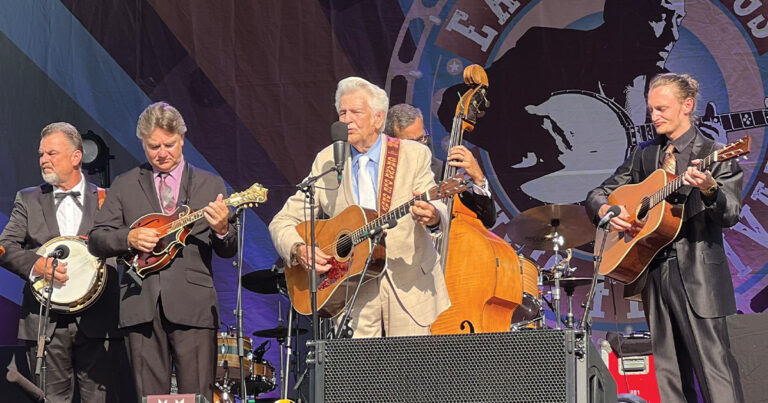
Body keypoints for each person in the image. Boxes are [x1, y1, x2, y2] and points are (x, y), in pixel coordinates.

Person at [586, 73, 744, 402]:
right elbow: (600, 193)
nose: (654, 116)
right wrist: (607, 212)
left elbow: (729, 213)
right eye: (651, 109)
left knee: (715, 372)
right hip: (653, 273)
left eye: (661, 108)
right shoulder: (645, 156)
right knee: (669, 375)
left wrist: (709, 187)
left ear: (687, 106)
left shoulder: (713, 153)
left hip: (699, 275)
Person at [438, 0, 688, 208]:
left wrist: (688, 152)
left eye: (677, 20)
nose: (672, 35)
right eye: (660, 18)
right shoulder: (550, 51)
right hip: (544, 209)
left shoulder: (665, 92)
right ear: (623, 14)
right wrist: (526, 139)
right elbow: (453, 104)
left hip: (621, 222)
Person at [270, 77, 450, 337]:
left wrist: (433, 216)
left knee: (411, 375)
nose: (346, 120)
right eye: (342, 112)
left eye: (355, 112)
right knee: (360, 375)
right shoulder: (327, 160)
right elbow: (282, 221)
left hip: (409, 285)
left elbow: (436, 204)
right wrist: (298, 250)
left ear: (378, 119)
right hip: (353, 293)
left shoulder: (413, 153)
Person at [87, 102, 236, 402]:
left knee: (198, 396)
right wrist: (129, 237)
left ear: (182, 138)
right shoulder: (125, 184)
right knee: (148, 397)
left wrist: (221, 229)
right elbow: (96, 239)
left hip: (193, 306)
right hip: (139, 305)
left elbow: (228, 248)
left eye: (169, 144)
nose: (162, 152)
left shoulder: (209, 184)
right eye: (153, 146)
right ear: (142, 143)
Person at [0, 122, 121, 402]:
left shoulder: (108, 199)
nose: (44, 159)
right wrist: (35, 264)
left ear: (76, 157)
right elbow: (5, 246)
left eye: (52, 153)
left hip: (98, 321)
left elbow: (122, 245)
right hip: (45, 322)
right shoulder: (28, 199)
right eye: (41, 154)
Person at [385, 103, 496, 228]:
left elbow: (487, 220)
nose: (421, 147)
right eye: (412, 143)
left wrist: (478, 178)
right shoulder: (381, 174)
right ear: (392, 143)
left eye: (422, 138)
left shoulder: (443, 172)